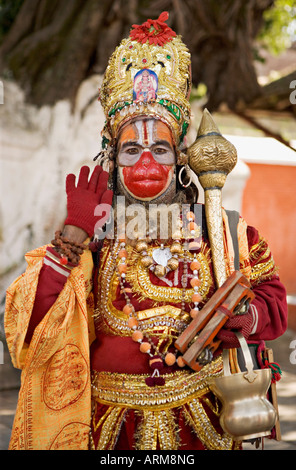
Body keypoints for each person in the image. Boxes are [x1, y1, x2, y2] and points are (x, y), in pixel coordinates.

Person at [4, 12, 287, 451]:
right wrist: (72, 236)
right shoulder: (92, 237)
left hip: (204, 424)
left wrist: (244, 318)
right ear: (112, 158)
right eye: (131, 150)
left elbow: (273, 301)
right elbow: (34, 329)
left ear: (180, 156)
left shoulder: (223, 230)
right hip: (109, 428)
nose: (147, 165)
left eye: (160, 149)